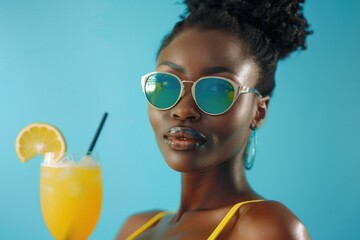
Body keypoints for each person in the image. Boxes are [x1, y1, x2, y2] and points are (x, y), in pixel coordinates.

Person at [117, 0, 312, 239]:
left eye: (217, 90)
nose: (184, 109)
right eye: (167, 84)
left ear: (258, 112)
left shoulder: (264, 228)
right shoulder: (136, 228)